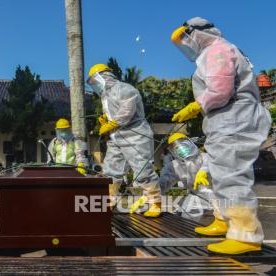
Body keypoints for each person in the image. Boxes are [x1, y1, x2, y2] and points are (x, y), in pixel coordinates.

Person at [171, 17, 271, 254]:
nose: (186, 45)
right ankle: (224, 220)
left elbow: (221, 90)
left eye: (185, 39)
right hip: (223, 122)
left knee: (230, 174)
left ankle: (246, 235)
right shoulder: (211, 54)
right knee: (217, 174)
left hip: (234, 119)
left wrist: (196, 106)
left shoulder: (218, 50)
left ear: (198, 33)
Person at [86, 64, 161, 217]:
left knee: (142, 169)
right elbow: (114, 114)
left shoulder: (125, 89)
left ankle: (155, 202)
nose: (95, 86)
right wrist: (106, 120)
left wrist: (111, 124)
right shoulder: (105, 96)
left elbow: (127, 111)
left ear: (103, 76)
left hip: (135, 135)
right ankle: (109, 201)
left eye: (95, 81)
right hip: (117, 137)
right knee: (111, 169)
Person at [160, 133, 224, 226]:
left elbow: (211, 164)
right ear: (172, 150)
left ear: (190, 143)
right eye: (175, 146)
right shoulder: (174, 166)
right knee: (187, 220)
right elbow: (163, 183)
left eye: (183, 143)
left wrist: (204, 171)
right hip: (196, 197)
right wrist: (148, 196)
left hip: (216, 195)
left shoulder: (205, 157)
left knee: (224, 221)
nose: (181, 148)